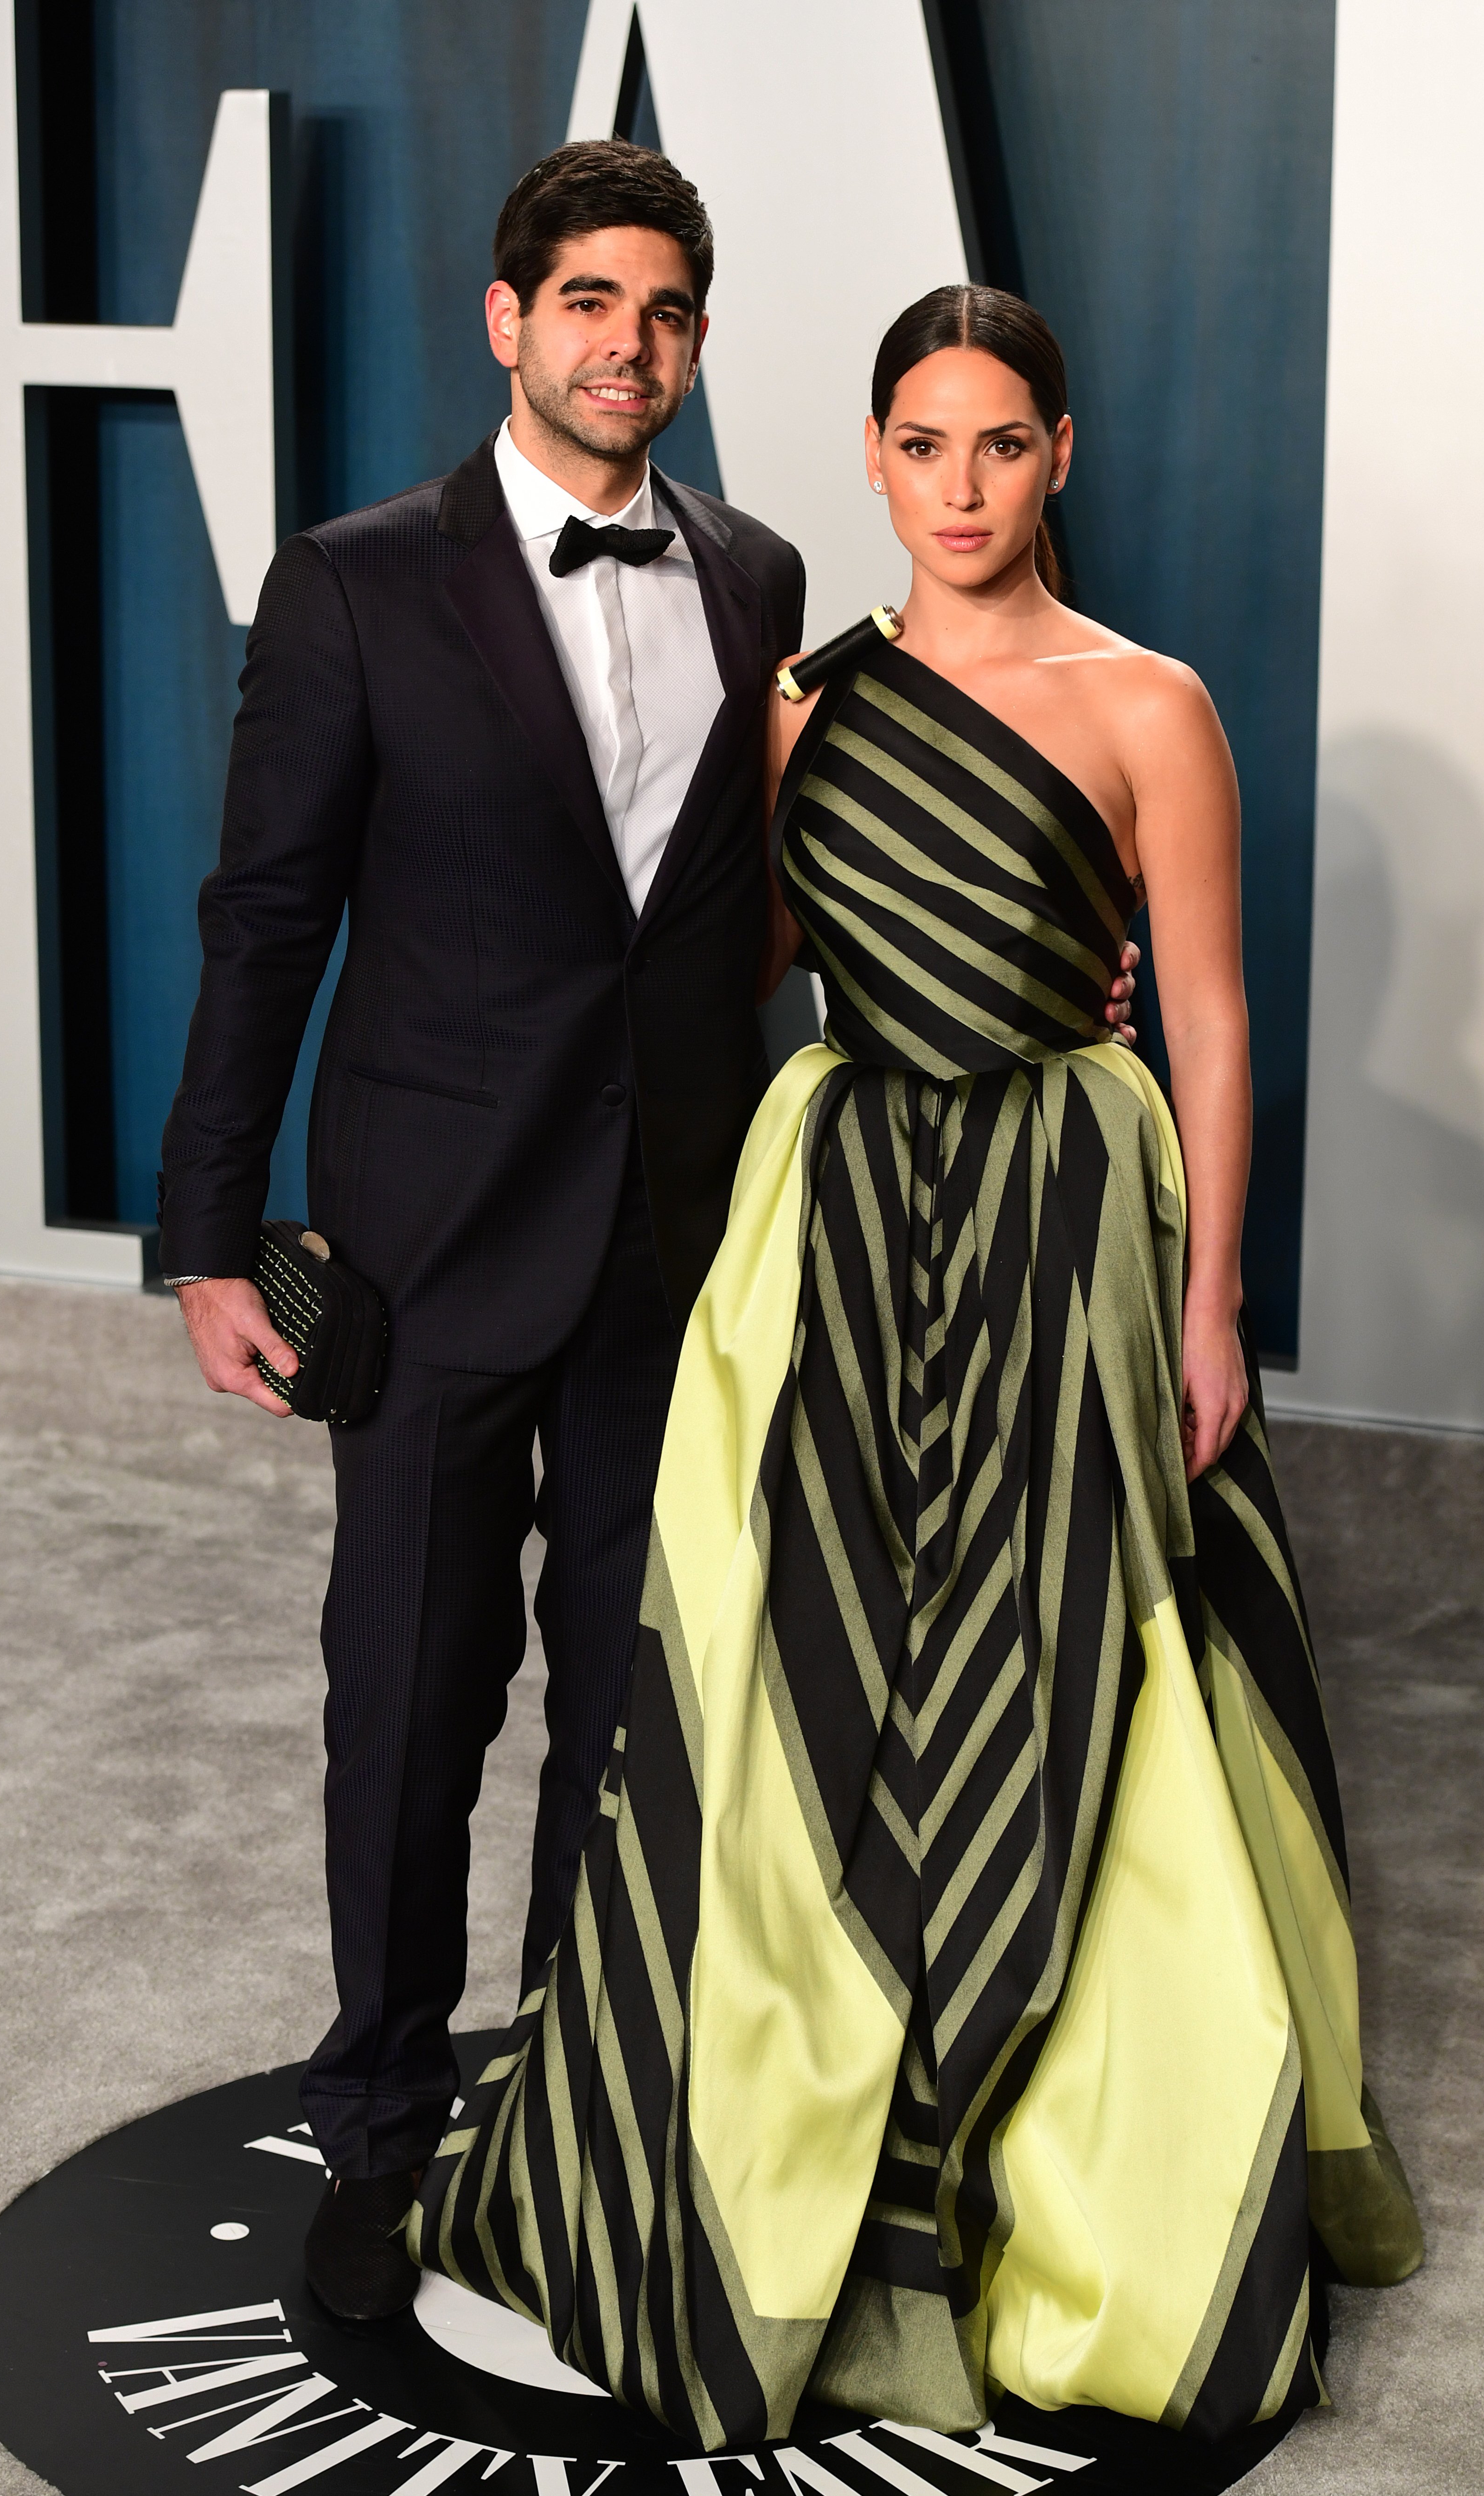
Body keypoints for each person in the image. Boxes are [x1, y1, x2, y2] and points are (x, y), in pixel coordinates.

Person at [410, 284, 1423, 2448]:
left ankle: (1076, 2187)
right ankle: (810, 2135)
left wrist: (1214, 1297)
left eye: (1001, 445)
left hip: (1067, 1214)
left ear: (1059, 456)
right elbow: (737, 958)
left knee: (1065, 1672)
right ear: (868, 460)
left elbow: (1216, 1022)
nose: (959, 487)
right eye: (921, 445)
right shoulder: (802, 702)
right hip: (845, 1216)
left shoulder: (1150, 702)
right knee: (806, 1671)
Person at [155, 134, 1147, 2323]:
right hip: (421, 1250)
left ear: (700, 343)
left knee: (637, 1707)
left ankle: (568, 2101)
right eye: (589, 302)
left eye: (668, 312)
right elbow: (264, 921)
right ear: (510, 323)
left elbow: (769, 909)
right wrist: (212, 1237)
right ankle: (389, 2106)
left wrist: (1016, 962)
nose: (630, 346)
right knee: (408, 1698)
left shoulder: (766, 570)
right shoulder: (354, 581)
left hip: (683, 1249)